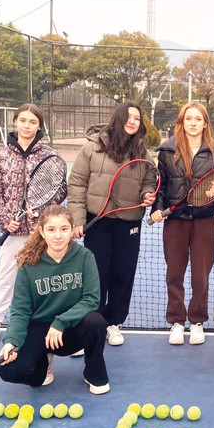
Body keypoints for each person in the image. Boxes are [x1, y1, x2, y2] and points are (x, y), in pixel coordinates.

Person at [68, 102, 157, 347]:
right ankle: (93, 323)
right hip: (97, 221)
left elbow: (149, 181)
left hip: (129, 223)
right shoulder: (92, 148)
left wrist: (147, 195)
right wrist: (77, 219)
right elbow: (77, 184)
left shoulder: (142, 153)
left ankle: (114, 323)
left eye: (137, 118)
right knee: (96, 275)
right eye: (128, 116)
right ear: (118, 119)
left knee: (123, 274)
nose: (132, 121)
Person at [0, 205, 110, 395]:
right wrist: (11, 341)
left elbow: (91, 300)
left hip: (72, 328)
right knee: (8, 370)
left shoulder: (84, 256)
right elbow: (20, 311)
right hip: (41, 330)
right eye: (51, 229)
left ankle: (94, 372)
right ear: (42, 231)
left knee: (96, 322)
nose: (58, 236)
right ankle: (43, 364)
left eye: (64, 229)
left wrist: (61, 322)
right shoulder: (28, 264)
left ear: (71, 230)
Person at [0, 103, 66, 343]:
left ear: (39, 126)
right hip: (13, 231)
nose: (27, 126)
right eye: (23, 121)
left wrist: (41, 211)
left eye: (32, 122)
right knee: (6, 278)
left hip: (42, 231)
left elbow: (61, 190)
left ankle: (56, 325)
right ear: (15, 122)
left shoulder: (49, 156)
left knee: (49, 279)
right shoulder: (2, 156)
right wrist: (5, 219)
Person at [150, 102, 214, 346]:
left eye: (198, 119)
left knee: (200, 275)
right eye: (188, 119)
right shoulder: (167, 150)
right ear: (181, 123)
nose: (193, 123)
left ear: (205, 124)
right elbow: (161, 185)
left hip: (205, 220)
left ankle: (197, 321)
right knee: (174, 273)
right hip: (175, 221)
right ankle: (176, 321)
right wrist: (157, 209)